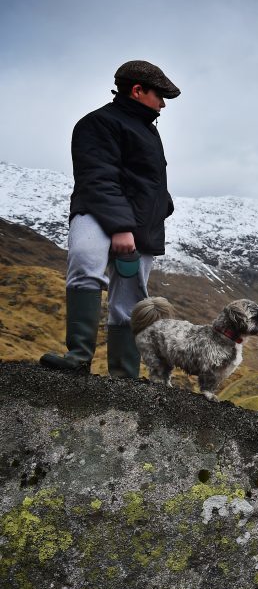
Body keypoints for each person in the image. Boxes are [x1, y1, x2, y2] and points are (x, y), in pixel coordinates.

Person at [40, 60, 180, 377]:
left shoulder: (150, 133)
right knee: (86, 269)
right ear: (137, 90)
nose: (163, 104)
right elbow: (98, 178)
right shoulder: (97, 124)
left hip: (142, 224)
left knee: (131, 298)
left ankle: (124, 377)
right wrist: (120, 227)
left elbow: (149, 182)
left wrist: (163, 206)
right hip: (97, 215)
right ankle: (78, 359)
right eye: (160, 96)